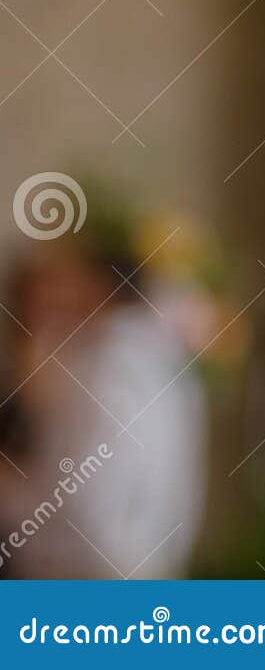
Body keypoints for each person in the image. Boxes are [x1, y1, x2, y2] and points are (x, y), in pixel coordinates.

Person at [0, 218, 209, 578]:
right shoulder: (169, 363)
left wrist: (13, 499)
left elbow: (84, 503)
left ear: (97, 288)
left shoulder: (103, 365)